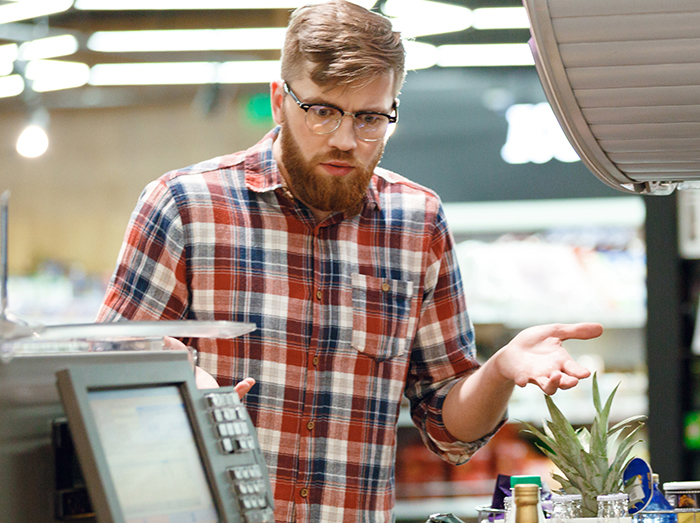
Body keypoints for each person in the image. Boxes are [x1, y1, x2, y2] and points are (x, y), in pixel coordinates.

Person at [97, 1, 603, 522]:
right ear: (279, 101)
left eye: (368, 118)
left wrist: (498, 372)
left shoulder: (417, 222)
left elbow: (448, 428)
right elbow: (104, 379)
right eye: (322, 111)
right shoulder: (186, 205)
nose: (344, 140)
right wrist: (179, 383)